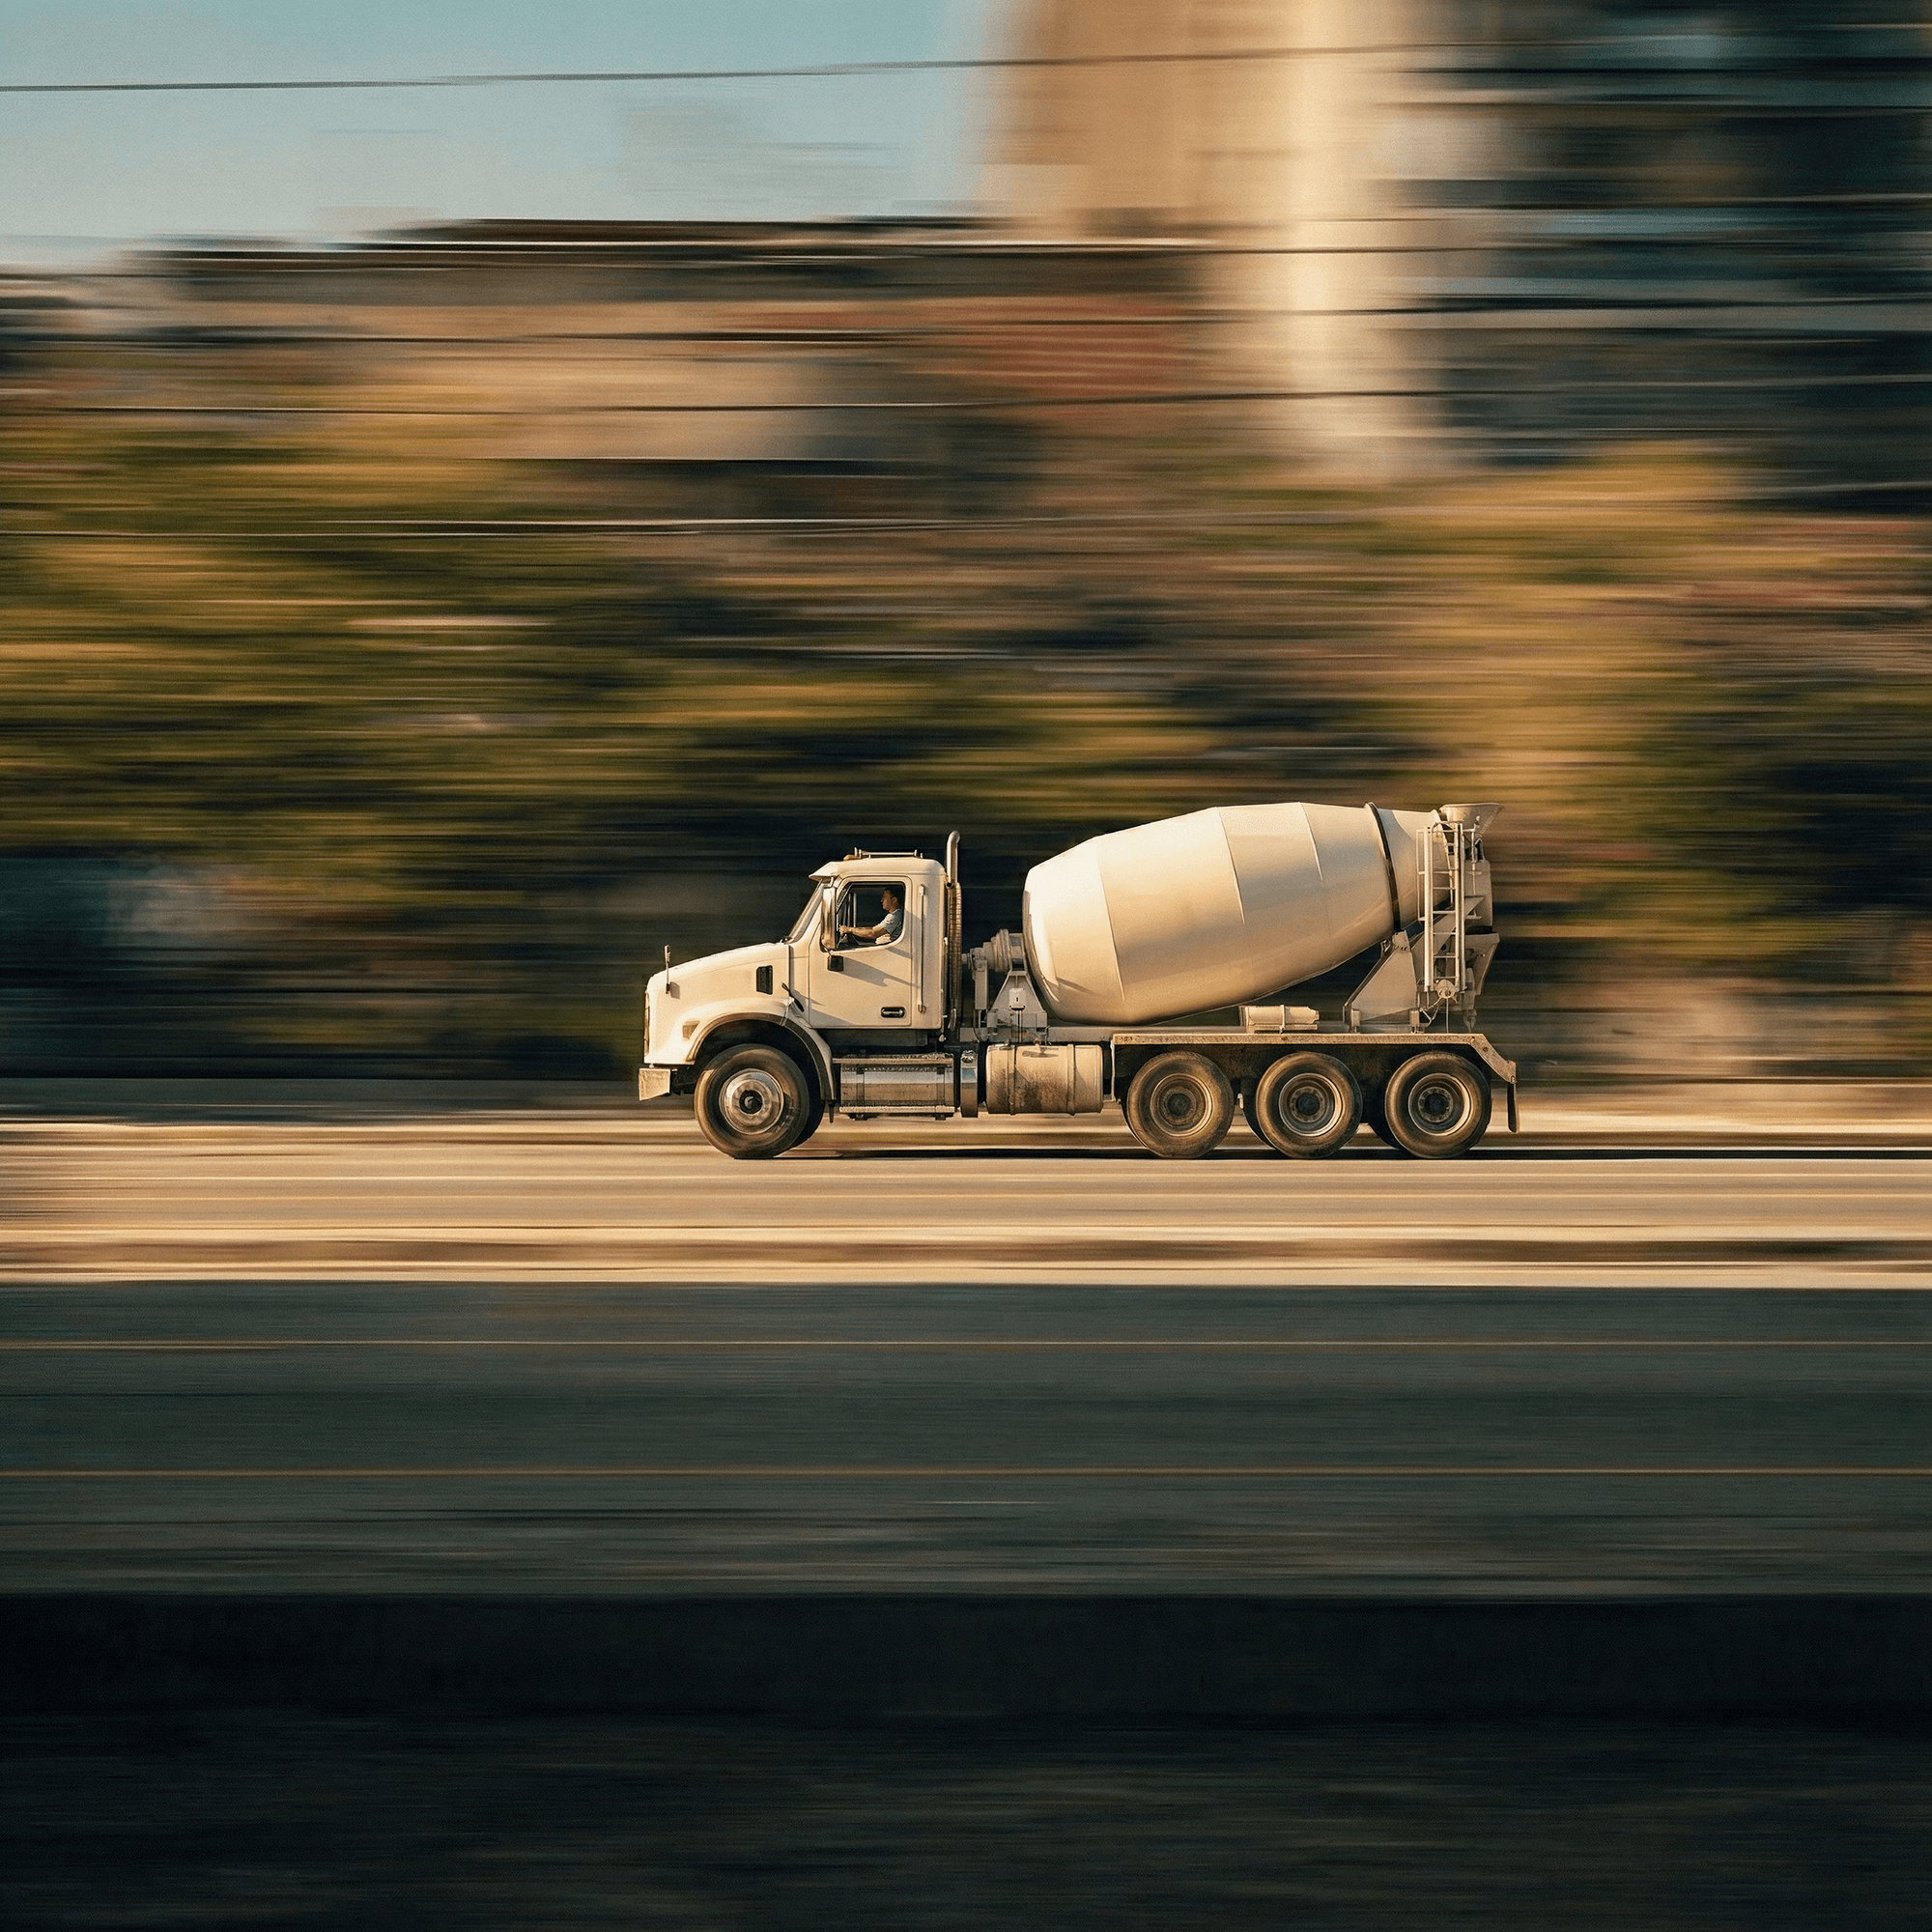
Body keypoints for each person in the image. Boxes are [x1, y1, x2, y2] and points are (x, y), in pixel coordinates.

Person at [838, 887, 902, 947]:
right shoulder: (893, 914)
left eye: (884, 898)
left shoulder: (895, 916)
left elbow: (873, 933)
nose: (881, 900)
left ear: (894, 900)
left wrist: (850, 929)